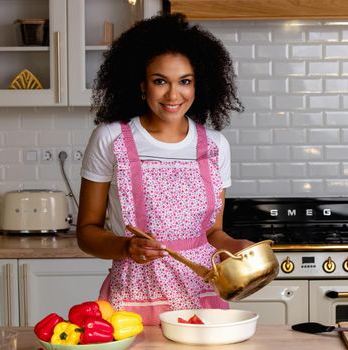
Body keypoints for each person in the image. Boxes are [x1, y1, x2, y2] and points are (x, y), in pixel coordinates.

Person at [76, 13, 252, 325]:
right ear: (142, 85)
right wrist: (127, 247)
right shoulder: (111, 138)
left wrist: (236, 247)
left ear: (200, 84)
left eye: (185, 81)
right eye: (161, 81)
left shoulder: (215, 145)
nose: (173, 95)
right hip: (135, 296)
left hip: (202, 294)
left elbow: (213, 232)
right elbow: (86, 233)